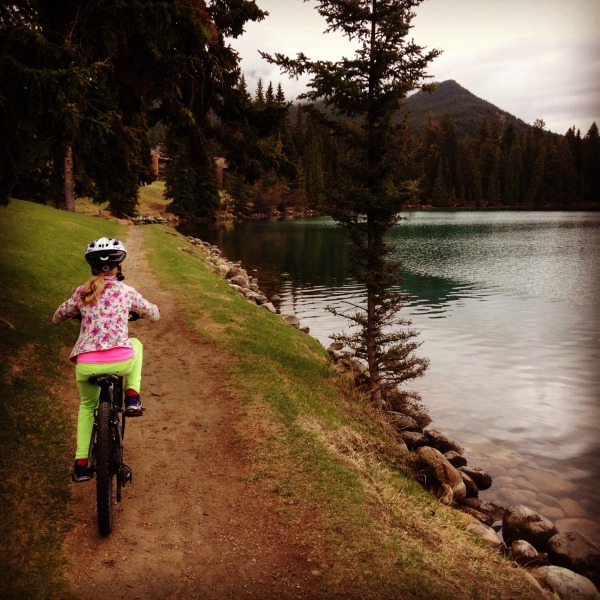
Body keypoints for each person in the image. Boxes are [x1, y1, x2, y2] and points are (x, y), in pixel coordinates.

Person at [53, 237, 160, 482]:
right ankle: (132, 397)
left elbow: (57, 316)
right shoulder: (126, 292)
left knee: (87, 407)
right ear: (119, 267)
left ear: (92, 267)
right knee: (136, 344)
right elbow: (154, 313)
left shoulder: (82, 293)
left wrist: (73, 314)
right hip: (120, 361)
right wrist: (141, 313)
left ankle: (81, 464)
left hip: (87, 365)